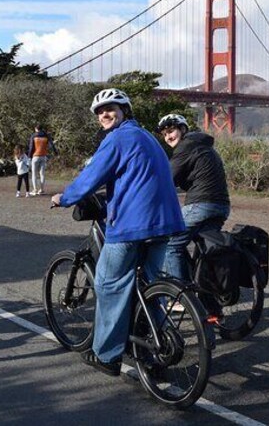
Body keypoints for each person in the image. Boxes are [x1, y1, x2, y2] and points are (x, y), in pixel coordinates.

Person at [51, 88, 185, 376]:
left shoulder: (118, 138)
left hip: (132, 225)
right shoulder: (148, 137)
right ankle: (152, 349)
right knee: (150, 288)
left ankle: (106, 355)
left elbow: (91, 176)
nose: (104, 115)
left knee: (109, 285)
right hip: (166, 223)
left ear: (125, 110)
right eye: (99, 112)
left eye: (110, 108)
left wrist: (64, 197)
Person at [157, 113, 231, 283]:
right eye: (165, 134)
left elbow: (167, 179)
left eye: (171, 131)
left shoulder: (186, 146)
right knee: (205, 249)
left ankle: (178, 295)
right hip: (221, 206)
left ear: (183, 129)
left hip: (201, 205)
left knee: (171, 244)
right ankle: (205, 294)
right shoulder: (202, 146)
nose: (168, 136)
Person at [27, 124, 55, 196]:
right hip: (43, 156)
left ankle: (35, 190)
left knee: (34, 174)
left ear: (36, 129)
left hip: (35, 156)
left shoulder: (33, 135)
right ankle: (42, 190)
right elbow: (52, 145)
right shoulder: (46, 135)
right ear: (41, 129)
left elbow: (31, 147)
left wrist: (29, 157)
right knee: (42, 174)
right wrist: (55, 152)